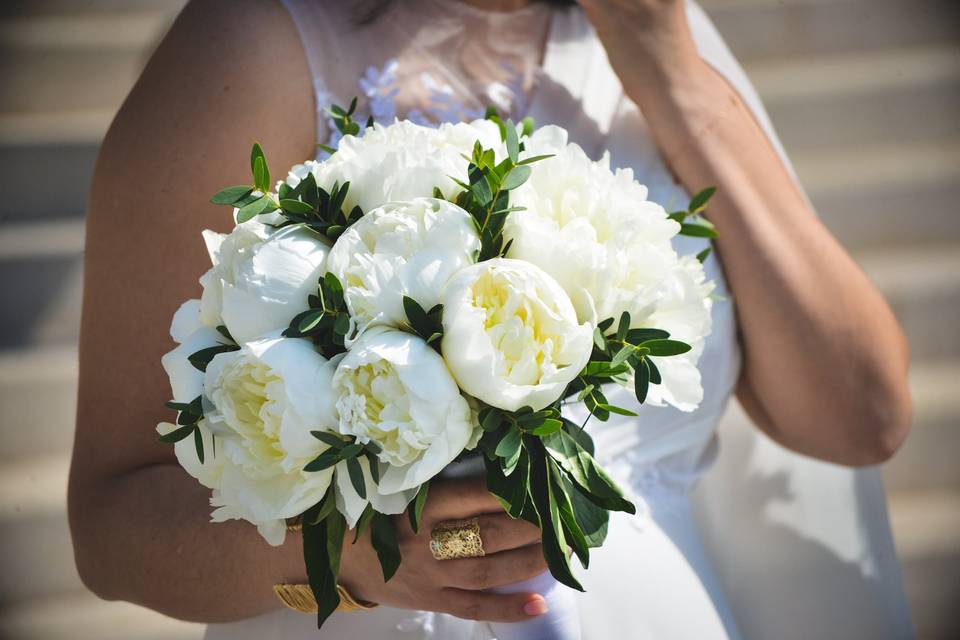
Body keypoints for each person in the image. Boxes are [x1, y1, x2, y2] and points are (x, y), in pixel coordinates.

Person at [67, 0, 912, 637]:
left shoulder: (659, 39)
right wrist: (345, 557)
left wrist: (671, 75)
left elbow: (862, 417)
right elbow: (112, 524)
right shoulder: (246, 47)